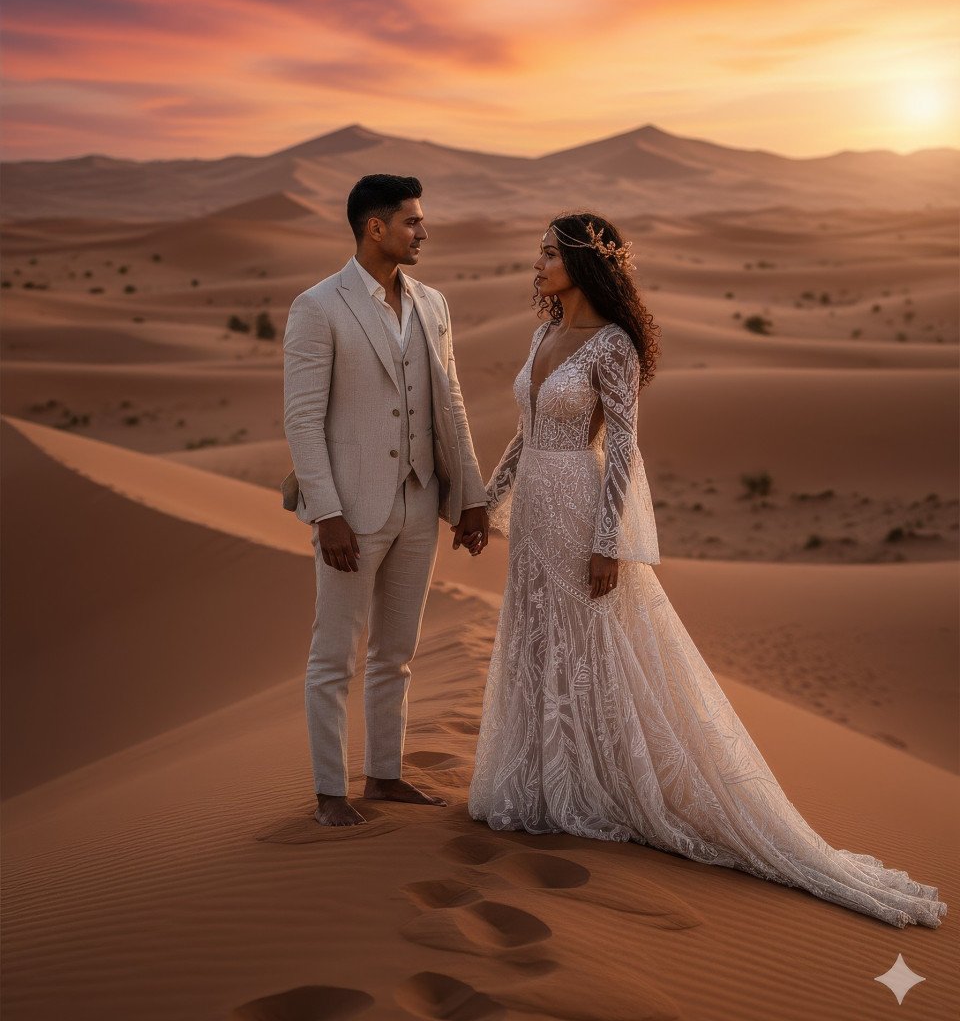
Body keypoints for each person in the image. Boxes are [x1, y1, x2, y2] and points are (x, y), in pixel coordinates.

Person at [468, 212, 947, 929]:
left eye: (546, 253)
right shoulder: (543, 334)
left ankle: (601, 787)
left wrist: (610, 544)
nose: (535, 264)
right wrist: (486, 500)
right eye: (537, 252)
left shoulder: (613, 346)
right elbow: (525, 431)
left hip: (577, 510)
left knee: (595, 646)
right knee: (538, 638)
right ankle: (545, 782)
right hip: (534, 511)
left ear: (583, 263)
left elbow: (625, 452)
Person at [282, 174, 489, 827]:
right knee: (333, 655)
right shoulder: (319, 306)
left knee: (396, 653)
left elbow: (450, 402)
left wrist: (471, 496)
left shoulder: (433, 304)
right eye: (412, 222)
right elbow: (303, 419)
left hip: (420, 502)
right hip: (351, 511)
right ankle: (327, 793)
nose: (423, 231)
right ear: (376, 228)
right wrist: (327, 512)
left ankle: (384, 776)